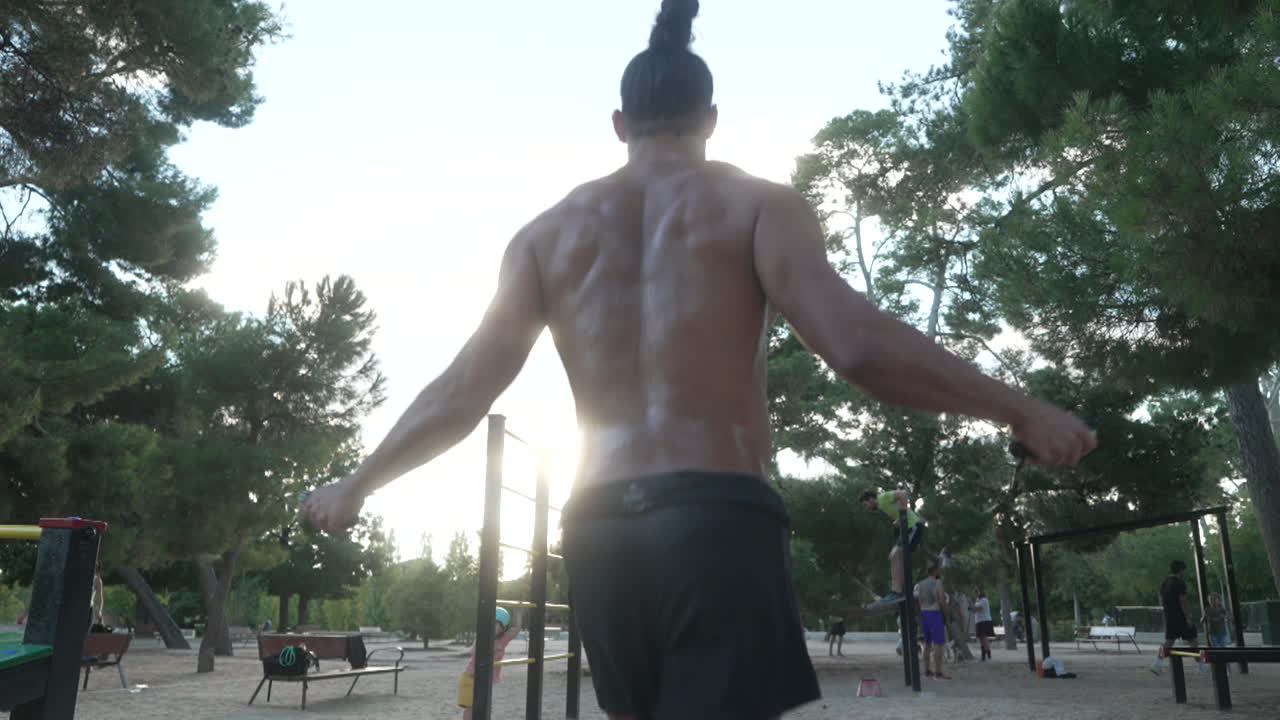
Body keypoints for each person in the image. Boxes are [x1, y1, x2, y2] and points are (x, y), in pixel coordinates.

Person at [299, 1, 1097, 715]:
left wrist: (358, 482)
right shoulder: (757, 204)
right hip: (715, 516)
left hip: (601, 528)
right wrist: (1020, 407)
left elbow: (465, 386)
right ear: (710, 117)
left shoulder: (544, 236)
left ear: (618, 122)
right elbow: (853, 346)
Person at [861, 488, 925, 606]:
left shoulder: (882, 498)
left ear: (870, 500)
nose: (867, 508)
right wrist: (898, 520)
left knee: (896, 554)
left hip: (913, 526)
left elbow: (903, 493)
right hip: (909, 527)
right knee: (895, 556)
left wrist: (903, 513)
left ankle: (897, 592)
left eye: (866, 505)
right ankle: (902, 589)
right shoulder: (882, 505)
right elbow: (898, 507)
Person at [457, 607, 521, 720]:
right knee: (470, 708)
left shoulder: (504, 639)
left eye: (497, 625)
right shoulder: (482, 637)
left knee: (482, 707)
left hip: (485, 680)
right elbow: (475, 654)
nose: (494, 627)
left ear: (504, 628)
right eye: (492, 624)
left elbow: (516, 629)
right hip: (471, 678)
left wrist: (518, 613)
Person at [1152, 560, 1202, 675]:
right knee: (1193, 640)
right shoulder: (1180, 583)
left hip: (1169, 616)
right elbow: (1182, 600)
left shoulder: (1164, 583)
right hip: (1180, 616)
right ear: (1181, 570)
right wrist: (1188, 616)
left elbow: (1162, 599)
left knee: (1169, 641)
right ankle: (1201, 665)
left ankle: (1157, 663)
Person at [915, 564, 950, 680]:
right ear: (935, 571)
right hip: (935, 613)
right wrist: (946, 614)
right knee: (938, 644)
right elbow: (941, 599)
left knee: (927, 643)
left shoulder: (920, 584)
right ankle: (938, 672)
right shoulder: (938, 583)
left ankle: (927, 670)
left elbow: (919, 602)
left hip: (924, 613)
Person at [973, 589, 994, 661]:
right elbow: (974, 610)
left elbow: (978, 609)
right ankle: (987, 652)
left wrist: (971, 606)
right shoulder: (977, 600)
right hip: (979, 621)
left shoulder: (984, 600)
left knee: (984, 637)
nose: (976, 593)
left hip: (984, 620)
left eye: (977, 592)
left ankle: (985, 654)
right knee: (981, 638)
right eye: (975, 592)